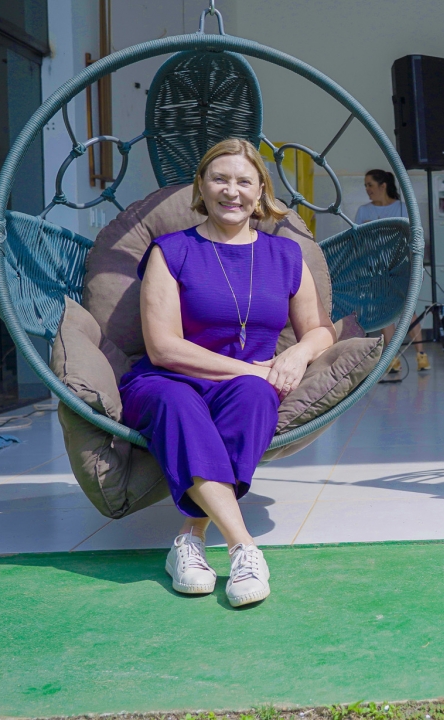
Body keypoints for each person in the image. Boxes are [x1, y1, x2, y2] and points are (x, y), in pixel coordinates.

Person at [121, 138, 336, 607]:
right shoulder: (171, 251)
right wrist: (252, 370)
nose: (231, 191)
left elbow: (321, 331)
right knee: (179, 403)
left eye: (243, 181)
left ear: (260, 192)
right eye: (219, 179)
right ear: (201, 186)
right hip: (168, 381)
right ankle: (244, 548)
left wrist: (297, 355)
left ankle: (190, 538)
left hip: (243, 386)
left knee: (256, 398)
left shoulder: (286, 255)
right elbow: (163, 348)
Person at [356, 168, 429, 374]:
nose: (367, 189)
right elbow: (357, 240)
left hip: (399, 267)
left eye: (370, 185)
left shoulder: (403, 208)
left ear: (383, 186)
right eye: (365, 186)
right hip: (375, 269)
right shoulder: (363, 211)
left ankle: (421, 355)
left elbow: (410, 236)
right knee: (385, 313)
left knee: (408, 310)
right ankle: (392, 358)